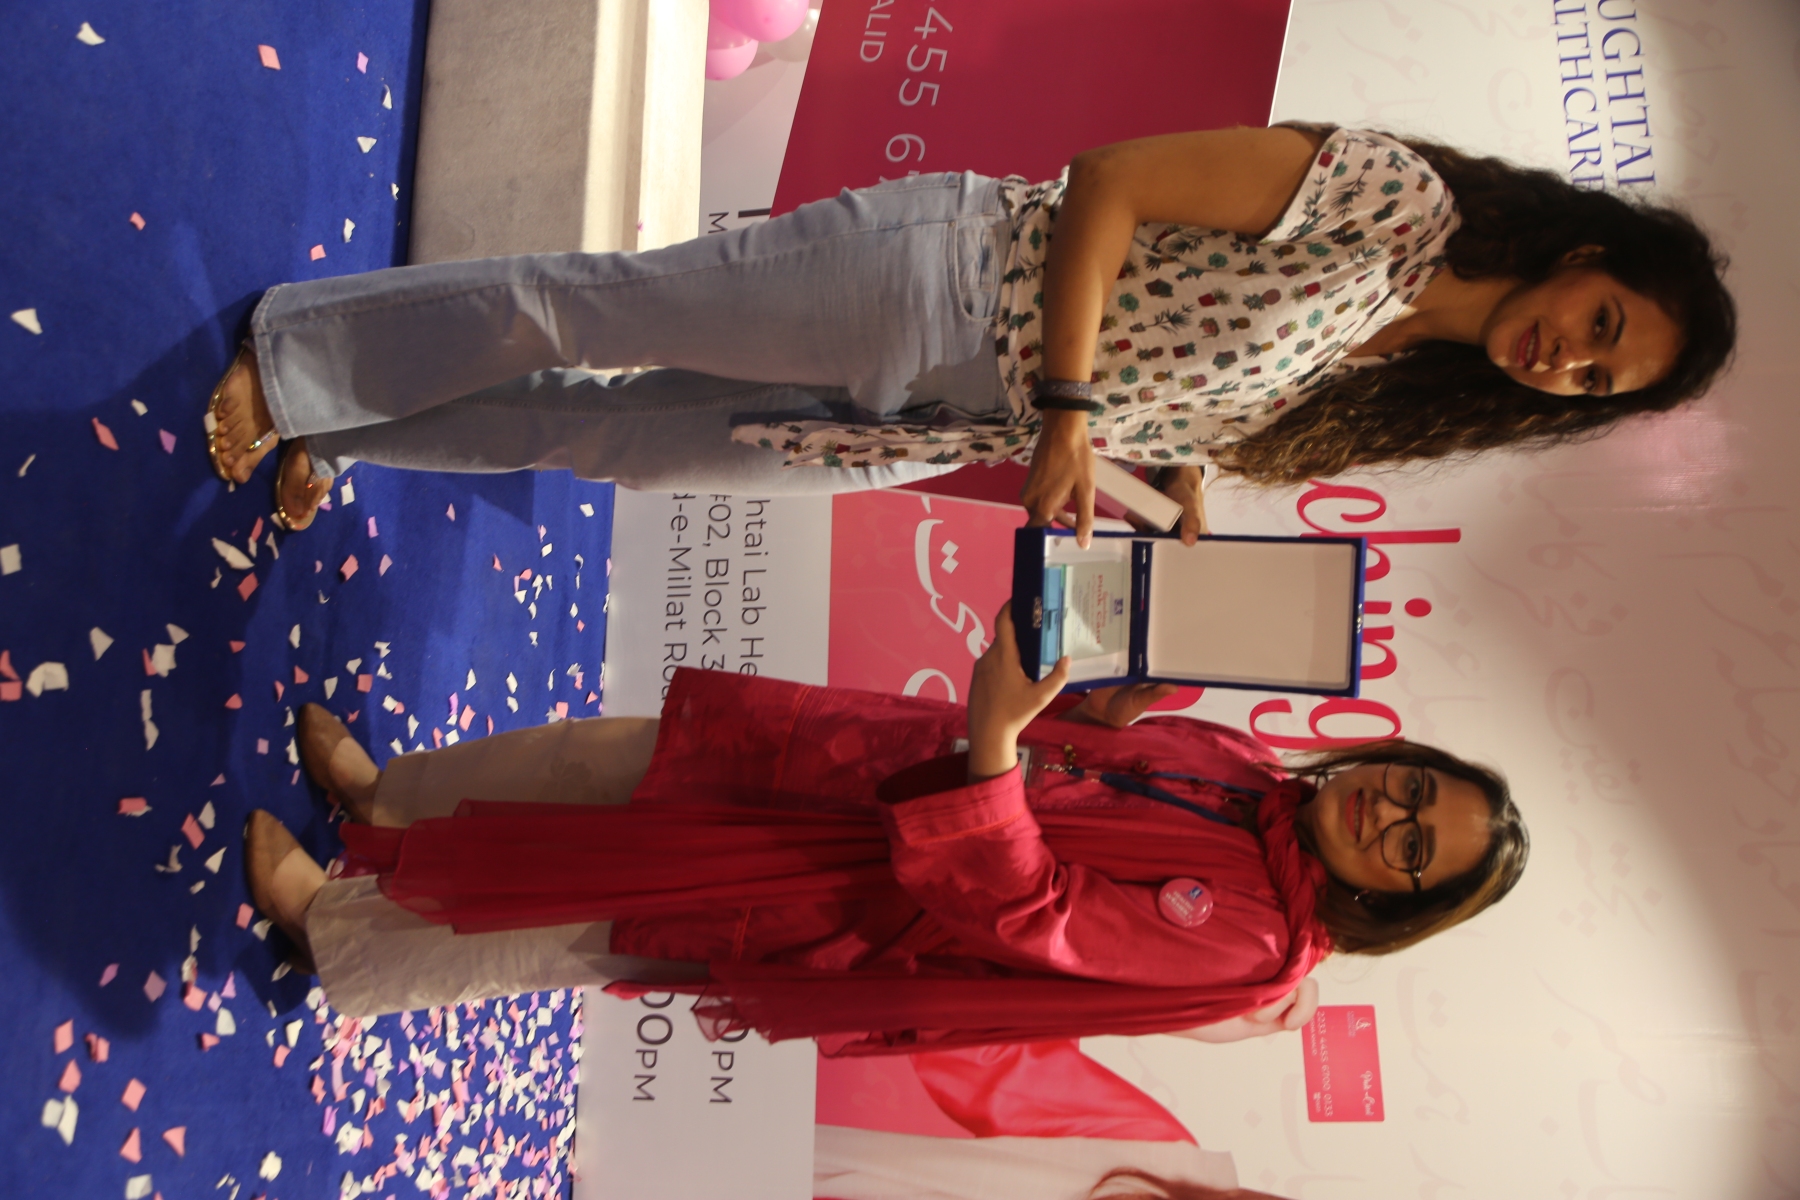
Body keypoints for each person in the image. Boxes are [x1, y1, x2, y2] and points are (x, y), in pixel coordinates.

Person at [204, 124, 1733, 538]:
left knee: (613, 442)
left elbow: (1178, 378)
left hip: (935, 428)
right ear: (1584, 255)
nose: (1569, 356)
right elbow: (1116, 184)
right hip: (940, 282)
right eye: (1600, 321)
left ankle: (354, 429)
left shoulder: (1398, 391)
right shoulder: (1397, 202)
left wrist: (1174, 485)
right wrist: (1073, 406)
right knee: (588, 309)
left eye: (1596, 378)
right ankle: (295, 360)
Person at [243, 607, 1527, 1052]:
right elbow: (1096, 768)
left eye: (1412, 848)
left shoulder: (1258, 944)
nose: (1387, 812)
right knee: (603, 760)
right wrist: (1117, 696)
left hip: (847, 889)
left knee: (581, 912)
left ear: (1397, 900)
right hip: (848, 775)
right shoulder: (1259, 777)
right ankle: (392, 800)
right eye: (1412, 788)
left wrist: (997, 746)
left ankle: (334, 935)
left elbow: (1034, 917)